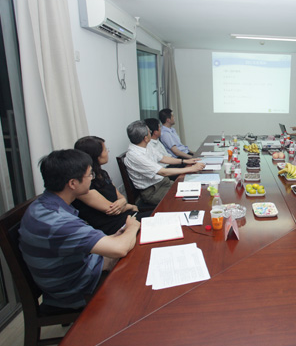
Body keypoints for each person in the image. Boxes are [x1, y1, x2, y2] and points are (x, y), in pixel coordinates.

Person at [19, 149, 140, 309]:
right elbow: (119, 249)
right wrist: (132, 227)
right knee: (140, 274)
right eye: (89, 175)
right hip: (77, 289)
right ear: (72, 183)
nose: (92, 178)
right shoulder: (57, 221)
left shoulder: (44, 205)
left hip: (78, 268)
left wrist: (116, 237)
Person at [72, 136, 145, 235]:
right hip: (114, 227)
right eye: (105, 150)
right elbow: (111, 209)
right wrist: (130, 206)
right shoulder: (83, 184)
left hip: (127, 217)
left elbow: (121, 197)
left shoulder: (102, 174)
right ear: (96, 155)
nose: (107, 152)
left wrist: (123, 202)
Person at [124, 120, 204, 205]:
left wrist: (184, 161)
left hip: (163, 183)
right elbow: (163, 172)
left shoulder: (146, 145)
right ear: (145, 138)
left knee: (198, 188)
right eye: (149, 132)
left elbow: (163, 158)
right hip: (154, 191)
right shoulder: (135, 155)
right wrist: (191, 168)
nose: (151, 133)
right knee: (190, 199)